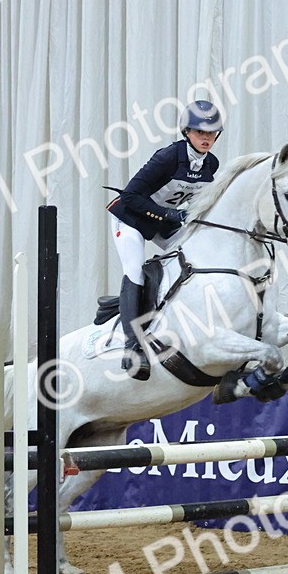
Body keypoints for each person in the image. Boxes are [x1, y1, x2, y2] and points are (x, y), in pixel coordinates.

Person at [106, 99, 224, 380]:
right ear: (186, 132)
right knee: (134, 269)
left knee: (196, 262)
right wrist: (169, 214)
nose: (206, 139)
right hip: (131, 218)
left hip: (165, 221)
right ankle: (132, 347)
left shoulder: (212, 164)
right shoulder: (167, 158)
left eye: (211, 133)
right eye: (200, 132)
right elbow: (131, 196)